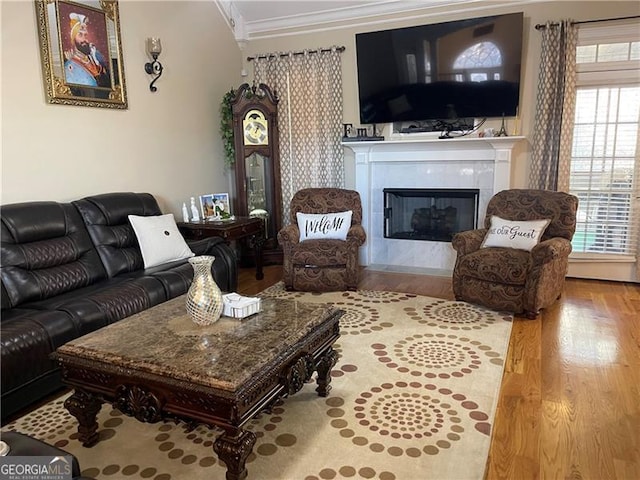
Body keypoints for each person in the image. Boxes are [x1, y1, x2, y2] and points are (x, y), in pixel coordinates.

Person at [63, 13, 111, 88]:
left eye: (85, 35)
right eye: (80, 35)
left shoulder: (94, 56)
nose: (84, 39)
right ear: (73, 39)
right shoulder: (71, 63)